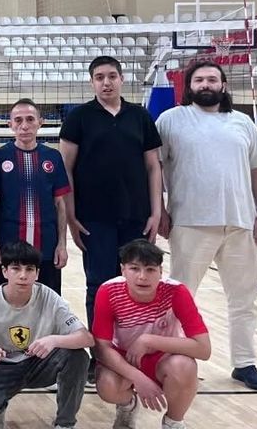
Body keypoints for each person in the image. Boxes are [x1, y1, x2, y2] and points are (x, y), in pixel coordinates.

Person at [157, 58, 257, 391]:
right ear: (189, 86)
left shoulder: (242, 122)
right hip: (190, 221)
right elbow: (153, 167)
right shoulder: (171, 120)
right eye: (199, 80)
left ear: (223, 85)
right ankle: (170, 360)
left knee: (244, 298)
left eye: (212, 79)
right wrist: (160, 210)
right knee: (179, 297)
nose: (206, 85)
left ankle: (244, 363)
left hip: (240, 223)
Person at [58, 55, 163, 373]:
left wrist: (156, 212)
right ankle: (101, 356)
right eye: (100, 77)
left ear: (122, 79)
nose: (106, 82)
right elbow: (66, 169)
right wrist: (71, 216)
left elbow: (153, 167)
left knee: (137, 285)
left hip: (135, 216)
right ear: (92, 82)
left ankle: (135, 353)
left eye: (112, 76)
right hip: (94, 218)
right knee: (100, 286)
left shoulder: (140, 116)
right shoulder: (78, 118)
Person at [0, 241, 92, 429]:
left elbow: (86, 338)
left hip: (39, 363)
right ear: (4, 272)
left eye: (29, 269)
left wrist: (54, 340)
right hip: (3, 366)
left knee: (78, 357)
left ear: (37, 273)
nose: (23, 275)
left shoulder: (49, 297)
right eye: (16, 268)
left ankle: (65, 424)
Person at [94, 239, 210, 429]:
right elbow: (101, 349)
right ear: (123, 270)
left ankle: (173, 422)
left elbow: (204, 349)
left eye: (150, 269)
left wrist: (149, 341)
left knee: (185, 367)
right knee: (107, 385)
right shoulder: (108, 291)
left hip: (163, 359)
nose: (142, 277)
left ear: (161, 272)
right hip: (125, 357)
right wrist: (137, 377)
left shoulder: (176, 291)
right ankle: (127, 406)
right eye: (134, 268)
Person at [0, 99, 71, 295]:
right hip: (8, 246)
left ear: (40, 122)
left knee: (48, 302)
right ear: (10, 124)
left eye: (30, 119)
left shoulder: (53, 157)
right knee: (5, 302)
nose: (24, 126)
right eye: (18, 120)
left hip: (46, 246)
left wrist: (62, 244)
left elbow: (60, 204)